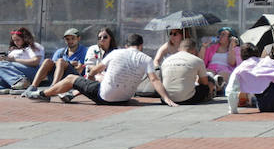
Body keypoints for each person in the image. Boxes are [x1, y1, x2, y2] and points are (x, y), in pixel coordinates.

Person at [26, 34, 174, 106]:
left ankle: (43, 93)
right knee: (93, 84)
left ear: (126, 45)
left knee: (72, 78)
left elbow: (93, 71)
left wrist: (89, 77)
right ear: (141, 46)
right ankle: (72, 94)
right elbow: (154, 80)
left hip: (105, 97)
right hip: (124, 99)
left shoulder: (116, 53)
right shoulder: (146, 58)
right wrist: (167, 99)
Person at [158, 37, 216, 104]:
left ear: (179, 49)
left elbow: (162, 80)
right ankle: (209, 95)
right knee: (208, 84)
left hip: (166, 99)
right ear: (194, 50)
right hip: (187, 99)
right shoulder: (197, 60)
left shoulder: (166, 60)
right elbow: (204, 82)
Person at [0, 27, 45, 92]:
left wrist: (14, 60)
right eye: (14, 40)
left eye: (18, 40)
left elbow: (35, 62)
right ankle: (16, 83)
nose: (15, 42)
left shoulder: (34, 46)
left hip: (33, 72)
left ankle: (20, 81)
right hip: (15, 72)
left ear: (24, 38)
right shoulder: (14, 49)